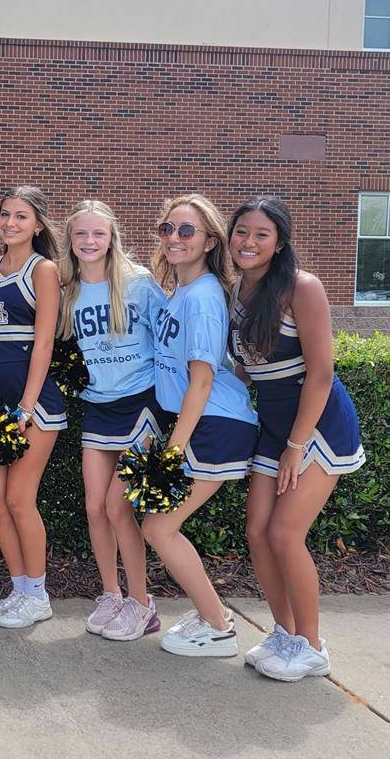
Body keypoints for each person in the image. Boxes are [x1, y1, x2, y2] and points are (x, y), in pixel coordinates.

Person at [228, 195, 365, 681]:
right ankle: (284, 634)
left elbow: (322, 374)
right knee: (257, 534)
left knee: (285, 533)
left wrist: (295, 446)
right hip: (275, 425)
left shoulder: (302, 288)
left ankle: (311, 645)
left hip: (318, 425)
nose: (249, 242)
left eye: (261, 234)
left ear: (279, 242)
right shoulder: (234, 291)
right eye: (242, 231)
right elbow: (249, 368)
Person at [145, 194, 258, 657]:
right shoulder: (182, 293)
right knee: (159, 527)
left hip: (215, 423)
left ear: (211, 240)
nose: (174, 238)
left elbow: (203, 377)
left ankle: (218, 627)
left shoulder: (205, 297)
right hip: (201, 420)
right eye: (168, 228)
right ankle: (214, 614)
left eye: (186, 230)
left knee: (159, 529)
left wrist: (174, 448)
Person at [56, 200, 170, 640]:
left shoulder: (138, 283)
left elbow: (171, 338)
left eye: (98, 234)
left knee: (116, 506)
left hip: (139, 402)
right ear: (70, 239)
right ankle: (112, 594)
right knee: (93, 506)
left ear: (111, 237)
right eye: (81, 234)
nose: (89, 242)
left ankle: (143, 604)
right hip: (98, 405)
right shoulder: (66, 288)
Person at [0, 186, 65, 629]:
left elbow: (44, 341)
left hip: (33, 403)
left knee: (19, 498)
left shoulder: (43, 269)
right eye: (5, 215)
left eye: (21, 217)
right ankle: (19, 589)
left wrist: (27, 406)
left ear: (38, 225)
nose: (10, 223)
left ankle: (39, 592)